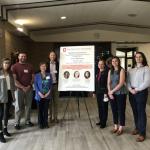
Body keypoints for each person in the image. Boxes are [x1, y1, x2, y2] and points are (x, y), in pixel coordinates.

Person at [127, 52, 150, 142]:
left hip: (141, 92)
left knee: (141, 112)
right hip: (132, 92)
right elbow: (127, 81)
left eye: (140, 57)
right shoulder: (130, 69)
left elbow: (147, 82)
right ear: (134, 58)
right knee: (135, 111)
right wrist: (130, 89)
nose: (138, 58)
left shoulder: (146, 68)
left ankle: (142, 133)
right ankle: (137, 128)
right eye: (136, 57)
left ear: (143, 58)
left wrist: (137, 89)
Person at [12, 51, 34, 130]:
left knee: (28, 106)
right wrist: (23, 87)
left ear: (26, 57)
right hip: (18, 90)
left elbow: (33, 77)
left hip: (29, 89)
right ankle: (16, 123)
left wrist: (29, 86)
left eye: (24, 56)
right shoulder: (14, 66)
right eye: (21, 56)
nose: (23, 57)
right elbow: (14, 80)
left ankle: (27, 121)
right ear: (18, 57)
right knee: (18, 106)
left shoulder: (30, 66)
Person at [107, 56, 127, 136]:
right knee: (114, 110)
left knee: (121, 110)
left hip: (121, 93)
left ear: (118, 62)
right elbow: (108, 83)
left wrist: (111, 91)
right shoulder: (110, 71)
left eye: (116, 61)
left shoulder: (122, 70)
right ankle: (115, 126)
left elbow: (121, 83)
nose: (114, 62)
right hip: (112, 94)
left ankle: (121, 127)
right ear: (111, 63)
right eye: (113, 61)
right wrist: (109, 92)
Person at [0, 58, 15, 143]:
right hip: (1, 95)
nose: (7, 64)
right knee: (0, 114)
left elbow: (12, 84)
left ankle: (5, 128)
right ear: (2, 63)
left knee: (6, 113)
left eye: (8, 63)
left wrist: (14, 95)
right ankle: (0, 133)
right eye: (5, 63)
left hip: (9, 94)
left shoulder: (10, 73)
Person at [34, 62, 52, 129]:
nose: (43, 67)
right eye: (42, 66)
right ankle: (40, 123)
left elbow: (50, 85)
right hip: (39, 96)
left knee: (46, 110)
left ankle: (45, 123)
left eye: (44, 66)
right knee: (40, 110)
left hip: (47, 95)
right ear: (40, 67)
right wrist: (39, 93)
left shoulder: (49, 75)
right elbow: (35, 85)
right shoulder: (37, 75)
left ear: (46, 67)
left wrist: (48, 93)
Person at [94, 59, 108, 128]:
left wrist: (106, 93)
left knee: (104, 108)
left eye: (102, 64)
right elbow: (96, 83)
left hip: (104, 93)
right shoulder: (98, 72)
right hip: (98, 93)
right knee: (99, 107)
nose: (100, 65)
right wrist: (94, 92)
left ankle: (104, 122)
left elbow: (107, 84)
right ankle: (100, 120)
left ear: (104, 65)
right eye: (99, 64)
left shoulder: (106, 73)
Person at [46, 50, 59, 123]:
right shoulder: (46, 64)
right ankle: (49, 117)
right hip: (48, 86)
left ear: (55, 56)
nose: (53, 56)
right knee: (49, 103)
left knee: (56, 103)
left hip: (56, 85)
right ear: (49, 56)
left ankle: (56, 117)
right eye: (51, 55)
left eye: (54, 55)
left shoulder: (58, 64)